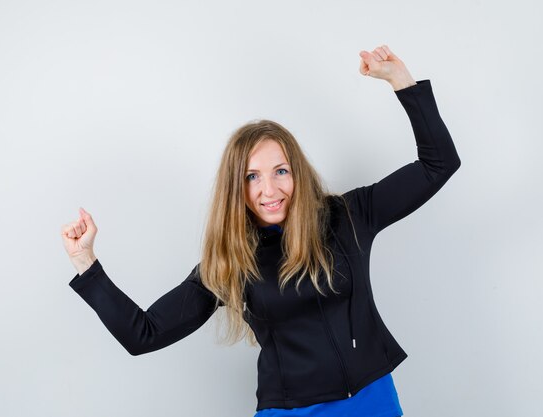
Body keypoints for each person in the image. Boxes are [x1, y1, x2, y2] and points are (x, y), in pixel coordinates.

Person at [61, 44, 461, 417]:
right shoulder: (229, 263)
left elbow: (438, 164)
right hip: (290, 410)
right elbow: (143, 335)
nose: (269, 190)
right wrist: (85, 261)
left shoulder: (348, 215)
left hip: (372, 399)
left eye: (280, 171)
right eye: (252, 177)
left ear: (296, 173)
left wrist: (401, 81)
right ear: (237, 187)